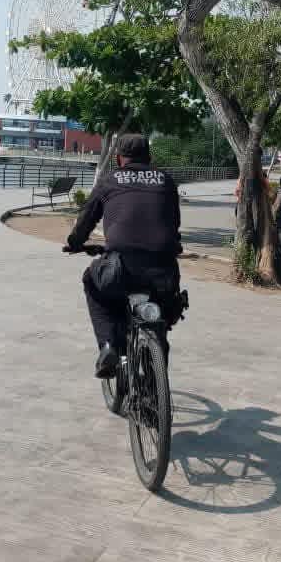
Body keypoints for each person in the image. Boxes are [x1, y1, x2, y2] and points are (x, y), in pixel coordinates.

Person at [64, 134, 183, 379]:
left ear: (119, 158)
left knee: (92, 282)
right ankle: (156, 375)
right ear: (149, 157)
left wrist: (75, 242)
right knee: (163, 315)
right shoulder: (166, 181)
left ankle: (108, 345)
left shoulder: (109, 181)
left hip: (121, 268)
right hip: (164, 270)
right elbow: (173, 222)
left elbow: (86, 219)